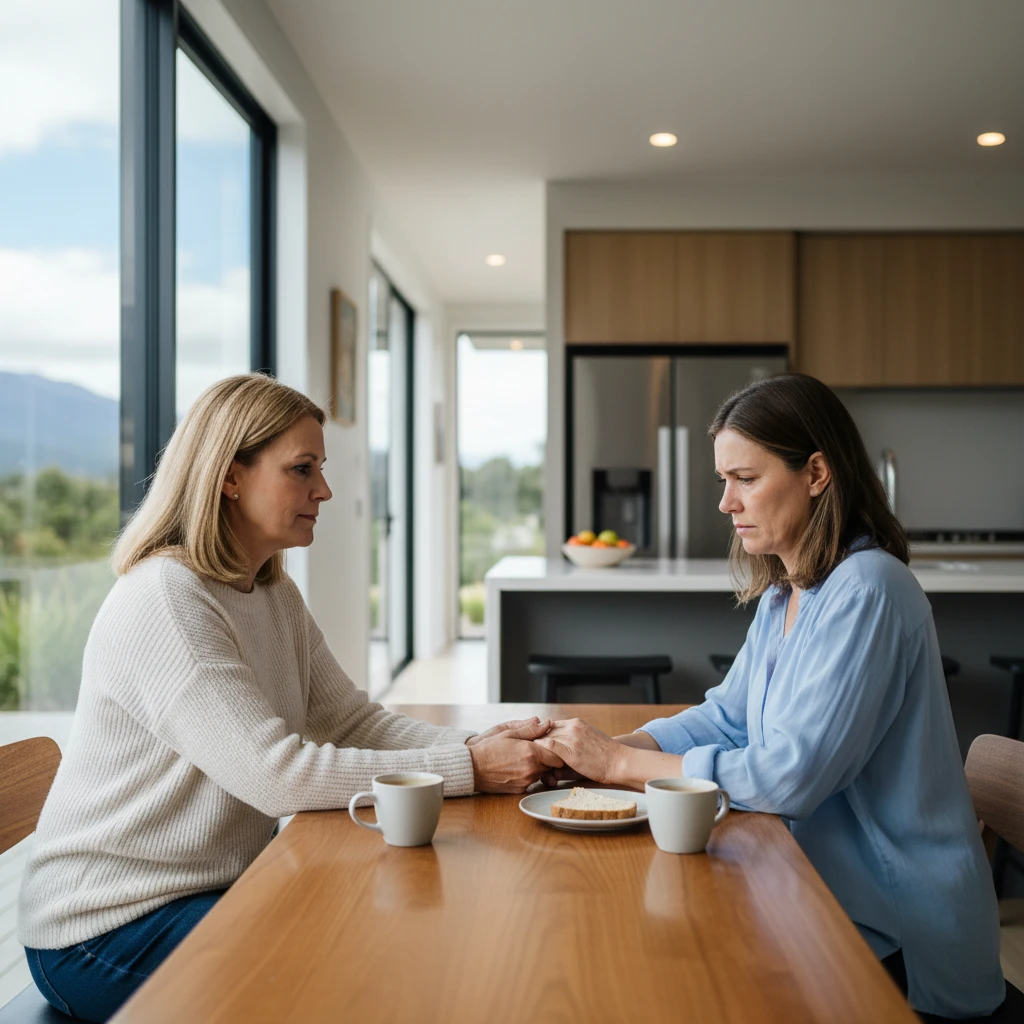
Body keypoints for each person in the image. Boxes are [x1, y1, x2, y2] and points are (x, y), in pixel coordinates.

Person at [19, 373, 561, 1022]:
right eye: (302, 469)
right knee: (347, 970)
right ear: (230, 476)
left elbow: (350, 721)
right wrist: (471, 768)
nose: (324, 490)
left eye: (320, 470)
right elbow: (276, 777)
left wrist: (481, 746)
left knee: (385, 932)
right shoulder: (167, 599)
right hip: (104, 928)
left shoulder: (271, 592)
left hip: (212, 889)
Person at [536, 372, 1004, 1020]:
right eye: (723, 480)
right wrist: (604, 752)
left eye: (746, 479)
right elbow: (728, 719)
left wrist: (620, 766)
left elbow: (791, 776)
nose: (726, 502)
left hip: (900, 941)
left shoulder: (870, 590)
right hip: (822, 900)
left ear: (816, 473)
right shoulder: (789, 593)